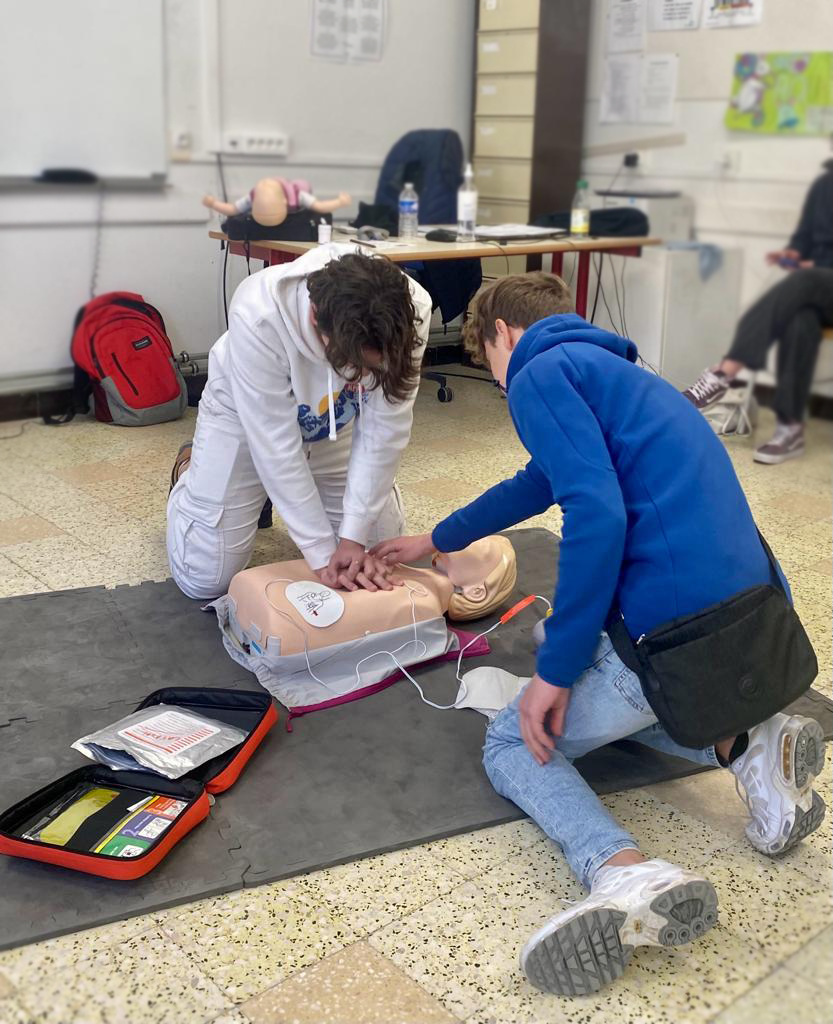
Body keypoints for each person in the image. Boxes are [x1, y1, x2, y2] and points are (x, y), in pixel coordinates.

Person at [372, 272, 827, 997]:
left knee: (515, 738)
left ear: (500, 334)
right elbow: (539, 480)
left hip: (674, 636)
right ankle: (743, 743)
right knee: (608, 705)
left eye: (486, 357)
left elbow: (597, 516)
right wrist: (437, 537)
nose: (495, 379)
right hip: (755, 611)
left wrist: (555, 670)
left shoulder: (535, 371)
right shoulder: (617, 372)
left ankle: (620, 871)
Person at [167, 243, 432, 600]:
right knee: (204, 579)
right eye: (355, 366)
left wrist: (352, 538)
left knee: (375, 551)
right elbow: (275, 447)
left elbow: (385, 431)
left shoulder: (409, 312)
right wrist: (323, 555)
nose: (364, 379)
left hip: (336, 415)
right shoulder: (258, 312)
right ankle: (190, 473)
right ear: (314, 318)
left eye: (373, 369)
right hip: (243, 417)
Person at [684, 158, 833, 464]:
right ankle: (791, 427)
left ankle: (725, 371)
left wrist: (811, 268)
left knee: (805, 279)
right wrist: (793, 253)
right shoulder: (824, 185)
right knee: (799, 319)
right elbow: (803, 238)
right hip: (817, 289)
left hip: (821, 279)